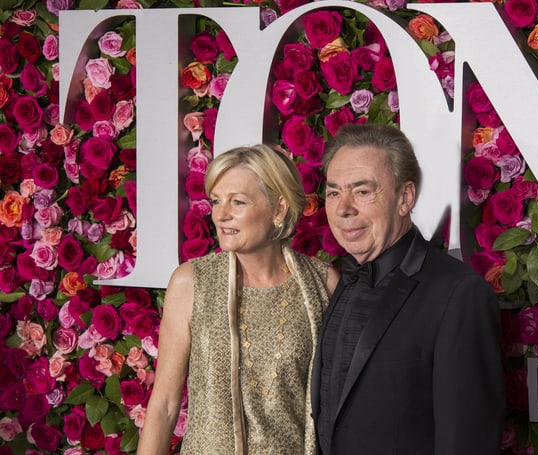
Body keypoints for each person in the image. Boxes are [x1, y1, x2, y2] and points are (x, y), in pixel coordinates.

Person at [311, 123, 505, 454]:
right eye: (333, 192)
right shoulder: (341, 283)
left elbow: (467, 443)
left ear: (405, 198)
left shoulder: (458, 293)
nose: (343, 208)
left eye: (362, 191)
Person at [138, 144, 338, 455]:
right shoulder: (191, 282)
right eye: (216, 201)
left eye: (238, 202)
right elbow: (164, 403)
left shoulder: (323, 284)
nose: (221, 215)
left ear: (279, 209)